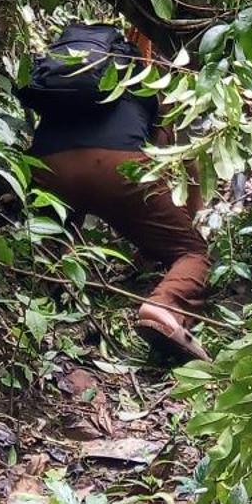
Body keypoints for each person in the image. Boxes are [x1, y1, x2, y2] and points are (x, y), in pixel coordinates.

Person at [22, 20, 211, 364]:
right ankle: (163, 308)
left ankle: (44, 287)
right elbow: (171, 158)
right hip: (119, 169)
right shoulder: (142, 77)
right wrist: (189, 225)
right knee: (192, 251)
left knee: (58, 226)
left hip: (46, 166)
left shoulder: (60, 80)